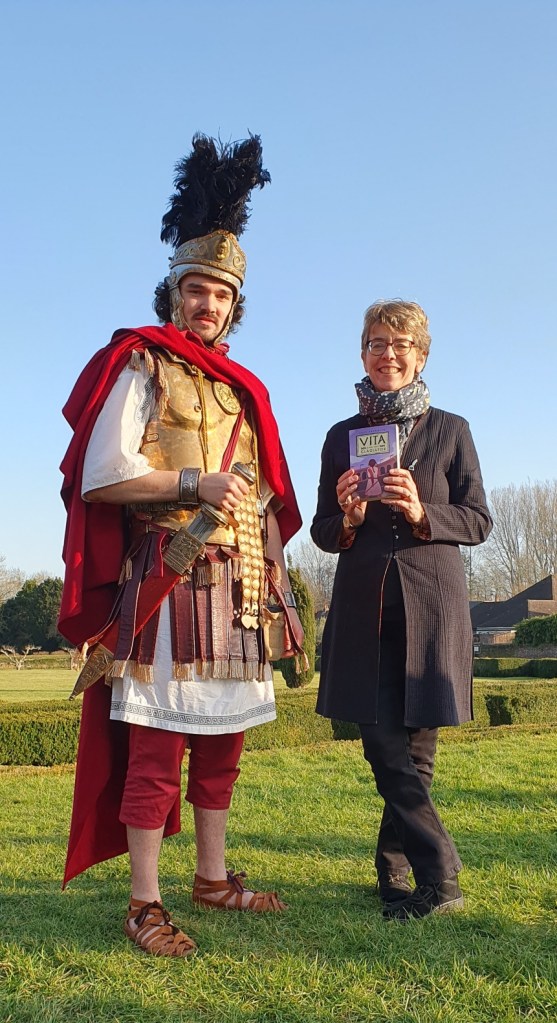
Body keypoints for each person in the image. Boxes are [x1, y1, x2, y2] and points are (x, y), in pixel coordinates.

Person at [58, 135, 303, 957]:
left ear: (235, 306)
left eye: (220, 294)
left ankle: (211, 876)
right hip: (168, 576)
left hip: (237, 589)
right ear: (173, 292)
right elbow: (101, 478)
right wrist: (190, 485)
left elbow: (264, 494)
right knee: (158, 748)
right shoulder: (142, 366)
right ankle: (143, 901)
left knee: (222, 747)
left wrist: (278, 583)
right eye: (195, 289)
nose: (207, 304)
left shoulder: (244, 389)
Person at [311, 299, 492, 921]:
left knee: (417, 753)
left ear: (421, 355)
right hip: (365, 610)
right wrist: (349, 518)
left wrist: (422, 513)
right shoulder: (342, 436)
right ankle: (442, 871)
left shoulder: (451, 429)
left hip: (433, 607)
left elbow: (478, 520)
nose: (387, 353)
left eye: (400, 343)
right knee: (382, 744)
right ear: (362, 353)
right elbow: (321, 531)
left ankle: (396, 874)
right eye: (376, 342)